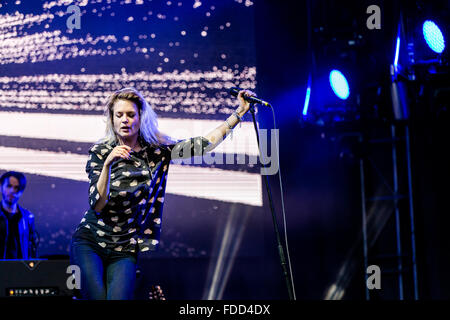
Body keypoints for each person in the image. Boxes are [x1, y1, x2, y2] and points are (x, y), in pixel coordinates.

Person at [70, 87, 255, 300]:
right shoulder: (101, 152)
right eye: (119, 115)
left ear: (141, 118)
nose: (125, 120)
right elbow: (98, 204)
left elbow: (204, 145)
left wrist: (239, 113)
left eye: (131, 115)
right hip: (90, 241)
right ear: (111, 119)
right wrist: (108, 165)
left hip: (125, 246)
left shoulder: (157, 152)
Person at [0, 171, 37, 259]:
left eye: (16, 188)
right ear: (1, 187)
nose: (12, 191)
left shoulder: (27, 218)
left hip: (20, 269)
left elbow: (31, 248)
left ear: (21, 191)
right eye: (9, 186)